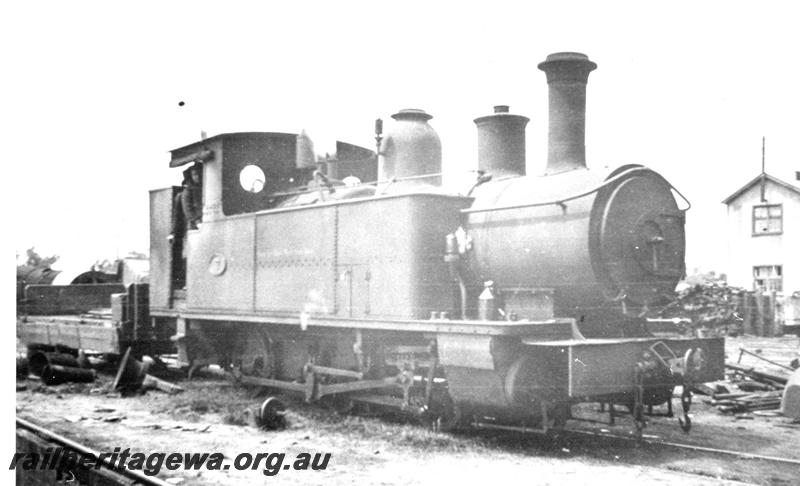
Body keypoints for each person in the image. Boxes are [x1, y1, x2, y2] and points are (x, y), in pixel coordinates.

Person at [182, 163, 203, 230]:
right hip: (194, 224)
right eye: (195, 175)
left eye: (199, 173)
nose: (197, 177)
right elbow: (187, 208)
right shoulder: (188, 190)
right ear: (191, 176)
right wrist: (196, 220)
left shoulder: (204, 187)